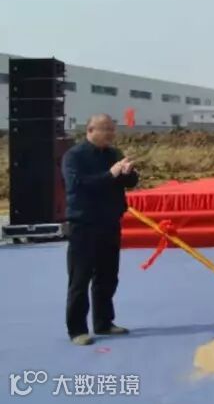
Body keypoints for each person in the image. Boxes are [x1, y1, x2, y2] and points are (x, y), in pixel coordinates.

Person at [61, 114, 139, 346]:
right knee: (80, 278)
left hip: (110, 222)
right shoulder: (74, 156)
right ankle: (77, 329)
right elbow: (78, 185)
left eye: (112, 130)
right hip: (83, 224)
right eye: (105, 129)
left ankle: (104, 322)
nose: (110, 134)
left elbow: (128, 183)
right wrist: (111, 174)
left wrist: (128, 173)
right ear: (90, 130)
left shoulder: (113, 154)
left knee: (107, 276)